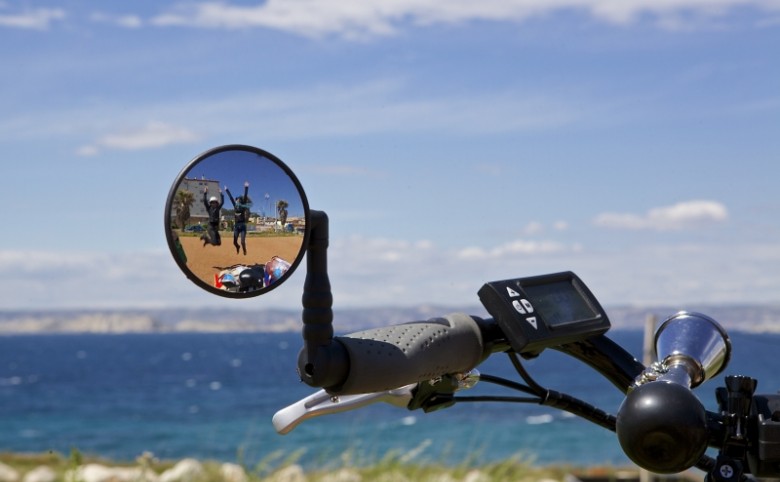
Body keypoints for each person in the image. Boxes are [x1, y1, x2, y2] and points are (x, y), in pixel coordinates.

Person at [226, 181, 251, 255]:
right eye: (237, 200)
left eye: (239, 200)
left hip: (243, 226)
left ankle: (244, 250)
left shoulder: (243, 208)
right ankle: (238, 247)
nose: (238, 201)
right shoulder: (235, 206)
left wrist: (246, 188)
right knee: (234, 242)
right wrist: (227, 190)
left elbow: (245, 197)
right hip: (236, 226)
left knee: (242, 241)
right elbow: (230, 198)